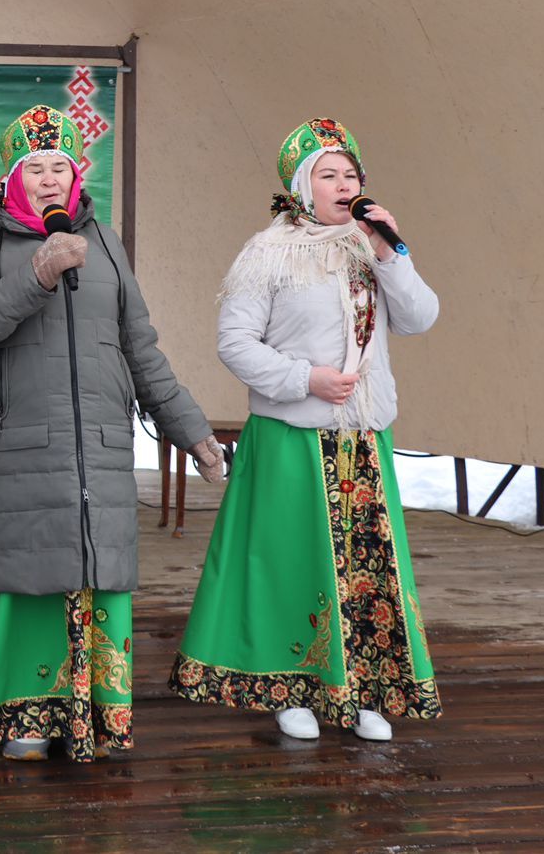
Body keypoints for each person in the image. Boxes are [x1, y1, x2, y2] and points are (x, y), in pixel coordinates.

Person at [0, 104, 224, 763]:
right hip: (24, 450)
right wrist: (36, 273)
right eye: (33, 168)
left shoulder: (107, 245)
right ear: (10, 179)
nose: (47, 178)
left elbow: (141, 349)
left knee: (100, 578)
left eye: (58, 167)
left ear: (76, 177)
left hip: (100, 449)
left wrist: (191, 431)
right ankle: (24, 717)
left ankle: (95, 715)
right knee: (33, 580)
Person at [168, 117, 441, 743]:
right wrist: (304, 378)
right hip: (292, 434)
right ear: (301, 186)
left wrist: (390, 250)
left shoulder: (371, 246)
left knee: (365, 566)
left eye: (351, 174)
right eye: (328, 174)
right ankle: (291, 688)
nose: (343, 184)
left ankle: (364, 690)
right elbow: (234, 343)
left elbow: (421, 318)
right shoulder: (268, 251)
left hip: (362, 437)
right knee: (294, 562)